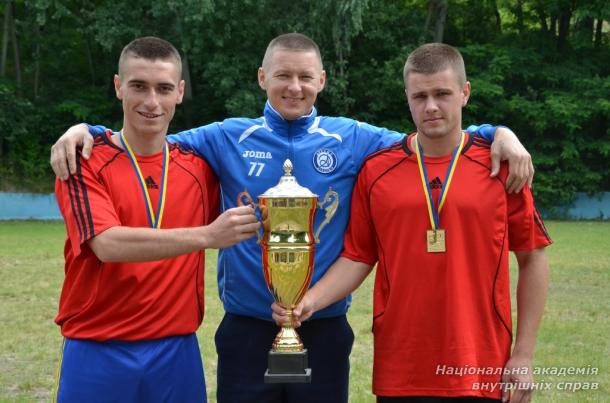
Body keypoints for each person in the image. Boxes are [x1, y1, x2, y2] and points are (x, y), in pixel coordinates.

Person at [50, 33, 535, 403]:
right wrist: (85, 129)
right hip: (247, 326)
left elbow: (430, 133)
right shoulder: (224, 137)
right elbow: (148, 132)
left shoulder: (356, 137)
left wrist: (495, 131)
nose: (294, 86)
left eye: (306, 77)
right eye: (283, 75)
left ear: (322, 81)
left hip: (322, 326)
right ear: (262, 78)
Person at [273, 43, 551, 403]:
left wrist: (524, 355)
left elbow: (533, 259)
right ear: (407, 97)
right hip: (401, 369)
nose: (431, 106)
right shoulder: (377, 170)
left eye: (442, 94)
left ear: (464, 93)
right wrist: (308, 300)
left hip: (480, 365)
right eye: (420, 96)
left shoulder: (500, 168)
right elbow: (358, 256)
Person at [53, 36, 259, 403]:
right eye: (138, 86)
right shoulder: (82, 160)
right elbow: (107, 245)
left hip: (176, 350)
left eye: (163, 89)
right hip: (98, 347)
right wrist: (208, 236)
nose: (151, 102)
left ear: (179, 92)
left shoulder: (199, 167)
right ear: (118, 87)